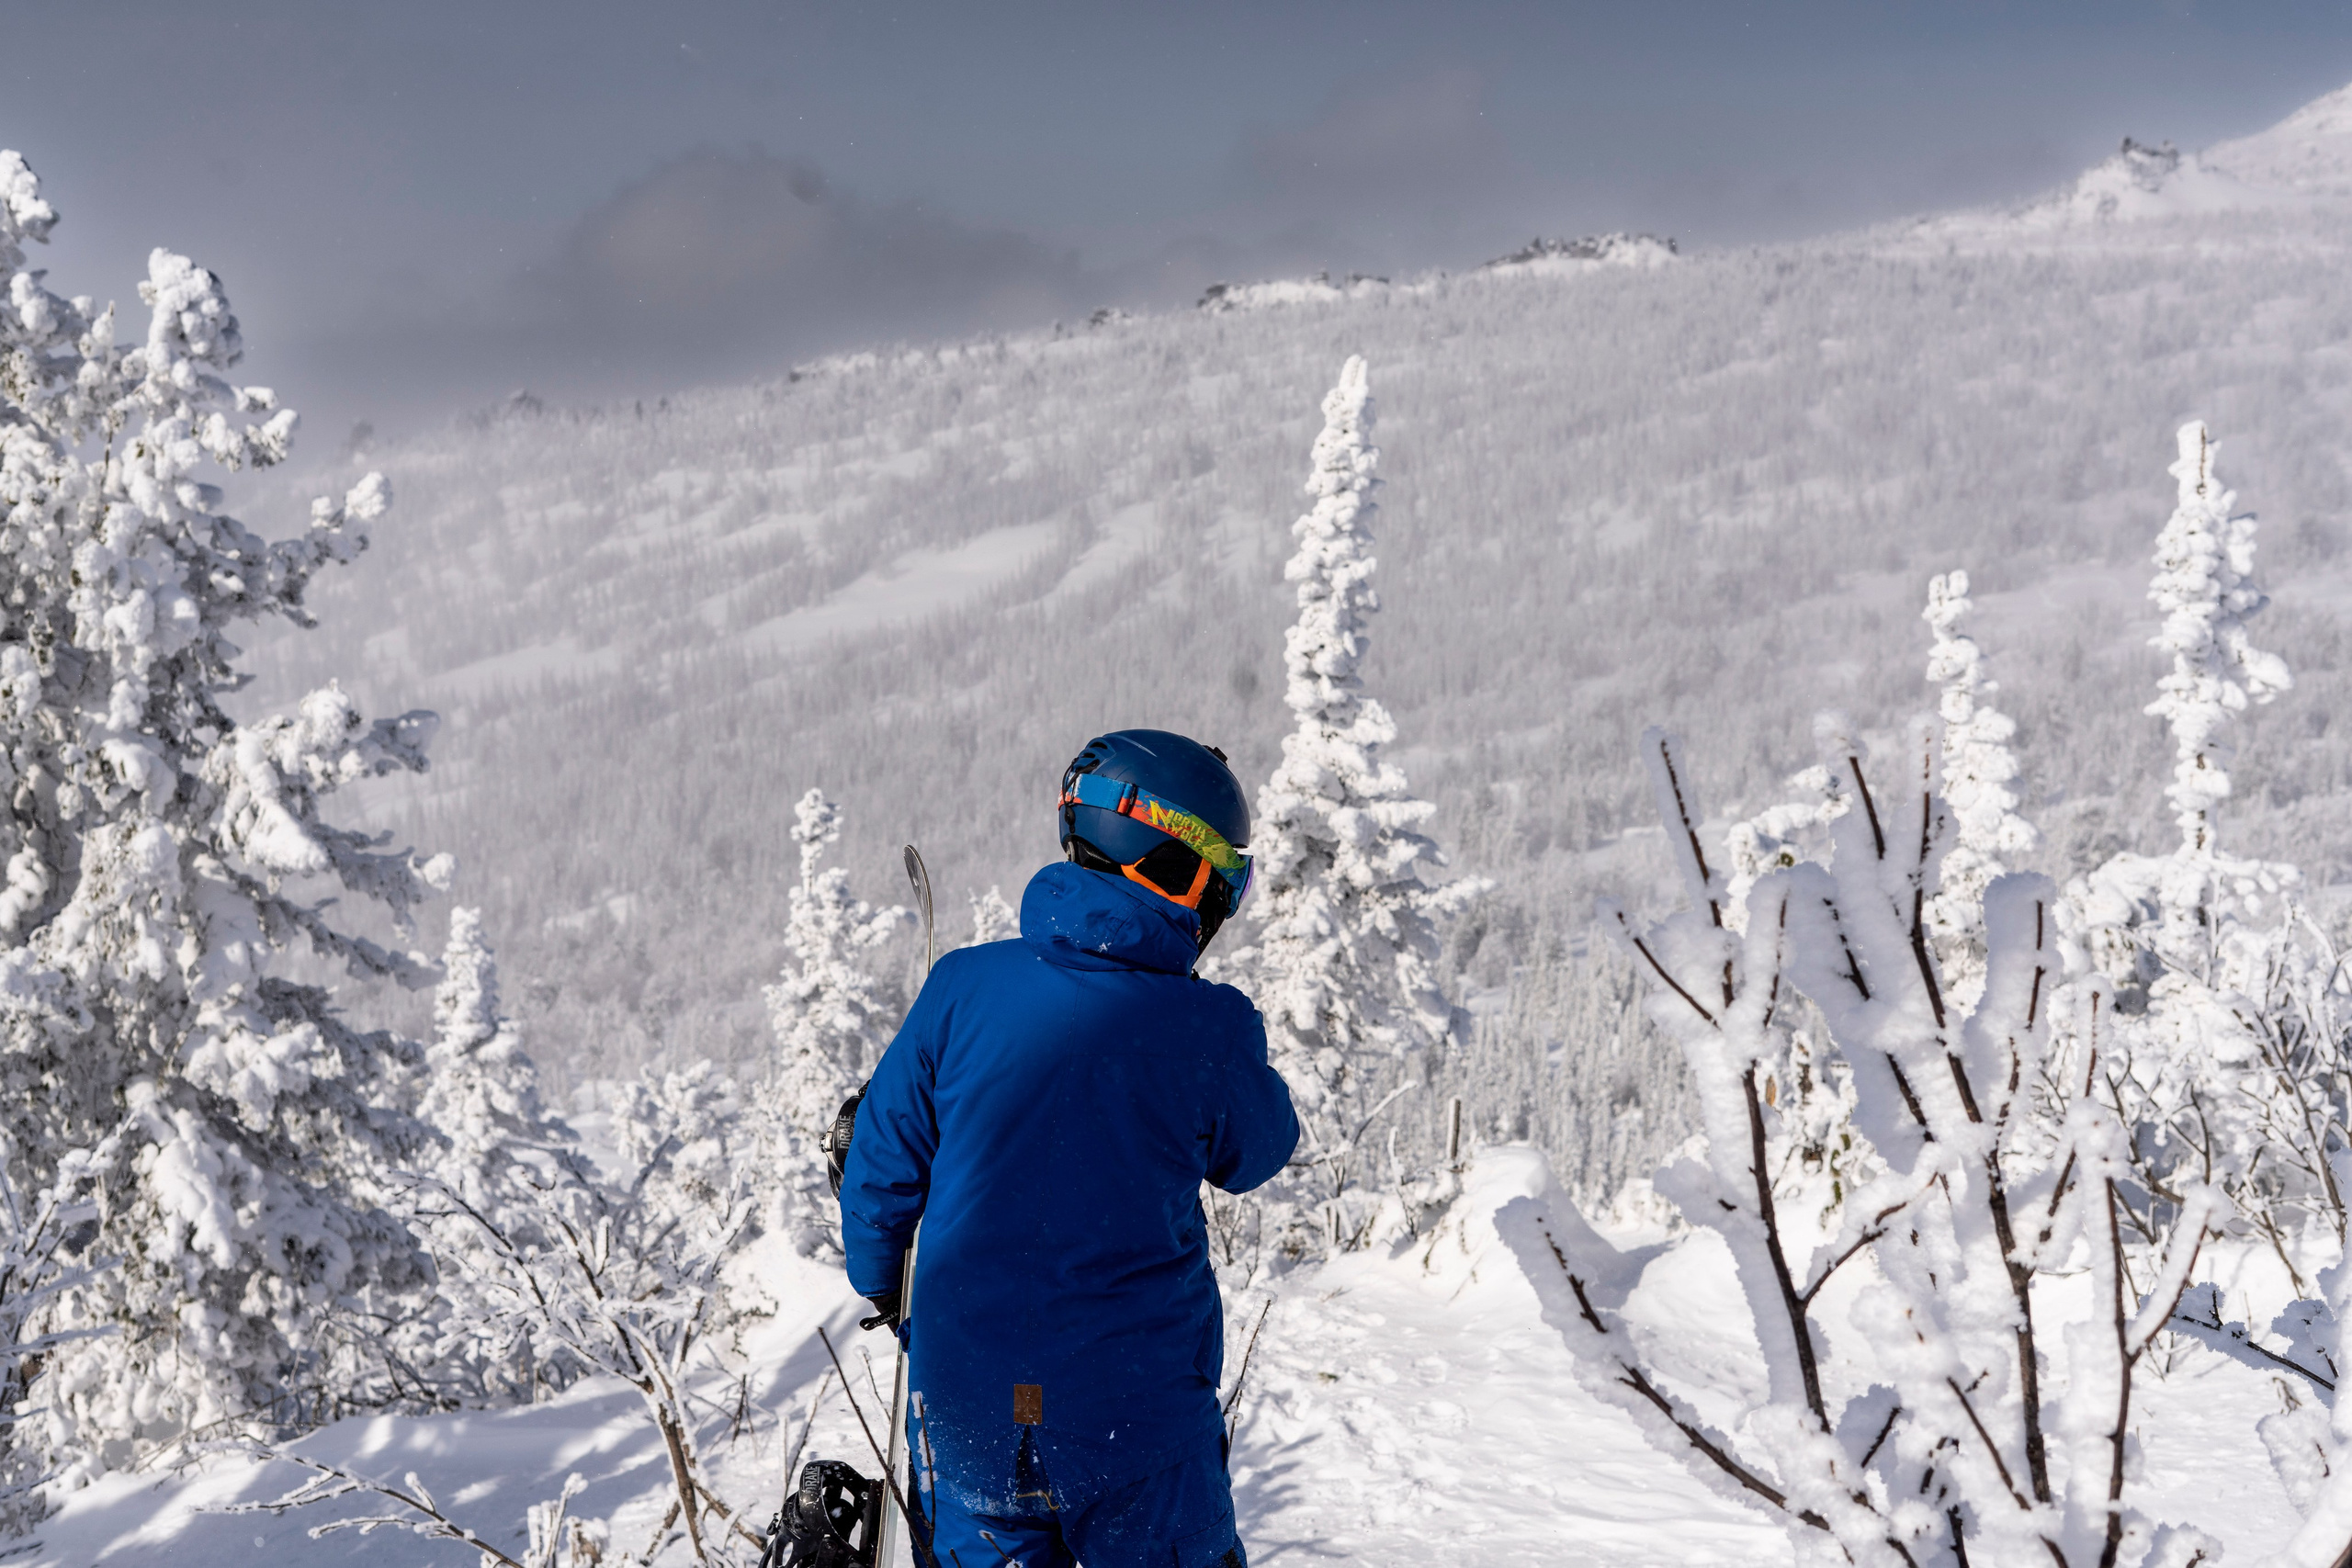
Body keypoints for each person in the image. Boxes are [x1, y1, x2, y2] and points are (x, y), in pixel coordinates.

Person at [840, 729, 1299, 1568]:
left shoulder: (960, 988)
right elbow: (1259, 1149)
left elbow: (879, 1172)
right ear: (1174, 862)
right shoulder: (1207, 1026)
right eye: (1228, 877)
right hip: (1135, 1414)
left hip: (969, 1405)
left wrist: (886, 1285)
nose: (1225, 903)